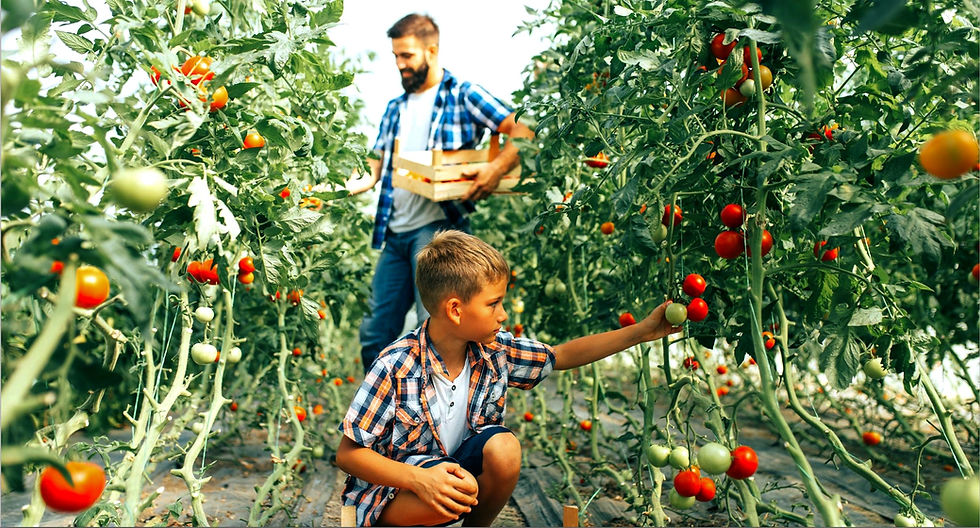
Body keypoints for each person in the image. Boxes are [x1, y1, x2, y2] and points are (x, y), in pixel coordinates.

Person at [336, 230, 683, 527]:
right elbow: (348, 455)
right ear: (455, 310)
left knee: (504, 448)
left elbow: (560, 356)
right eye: (494, 304)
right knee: (452, 490)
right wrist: (418, 479)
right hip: (396, 490)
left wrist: (641, 332)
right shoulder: (396, 365)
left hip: (452, 477)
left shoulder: (495, 350)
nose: (503, 315)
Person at [346, 13, 534, 373]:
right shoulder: (395, 108)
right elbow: (374, 167)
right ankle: (383, 399)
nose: (400, 64)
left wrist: (495, 169)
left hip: (437, 232)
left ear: (431, 51)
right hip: (395, 235)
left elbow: (522, 129)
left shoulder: (463, 95)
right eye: (396, 56)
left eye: (407, 55)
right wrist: (341, 187)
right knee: (375, 332)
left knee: (435, 330)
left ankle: (436, 404)